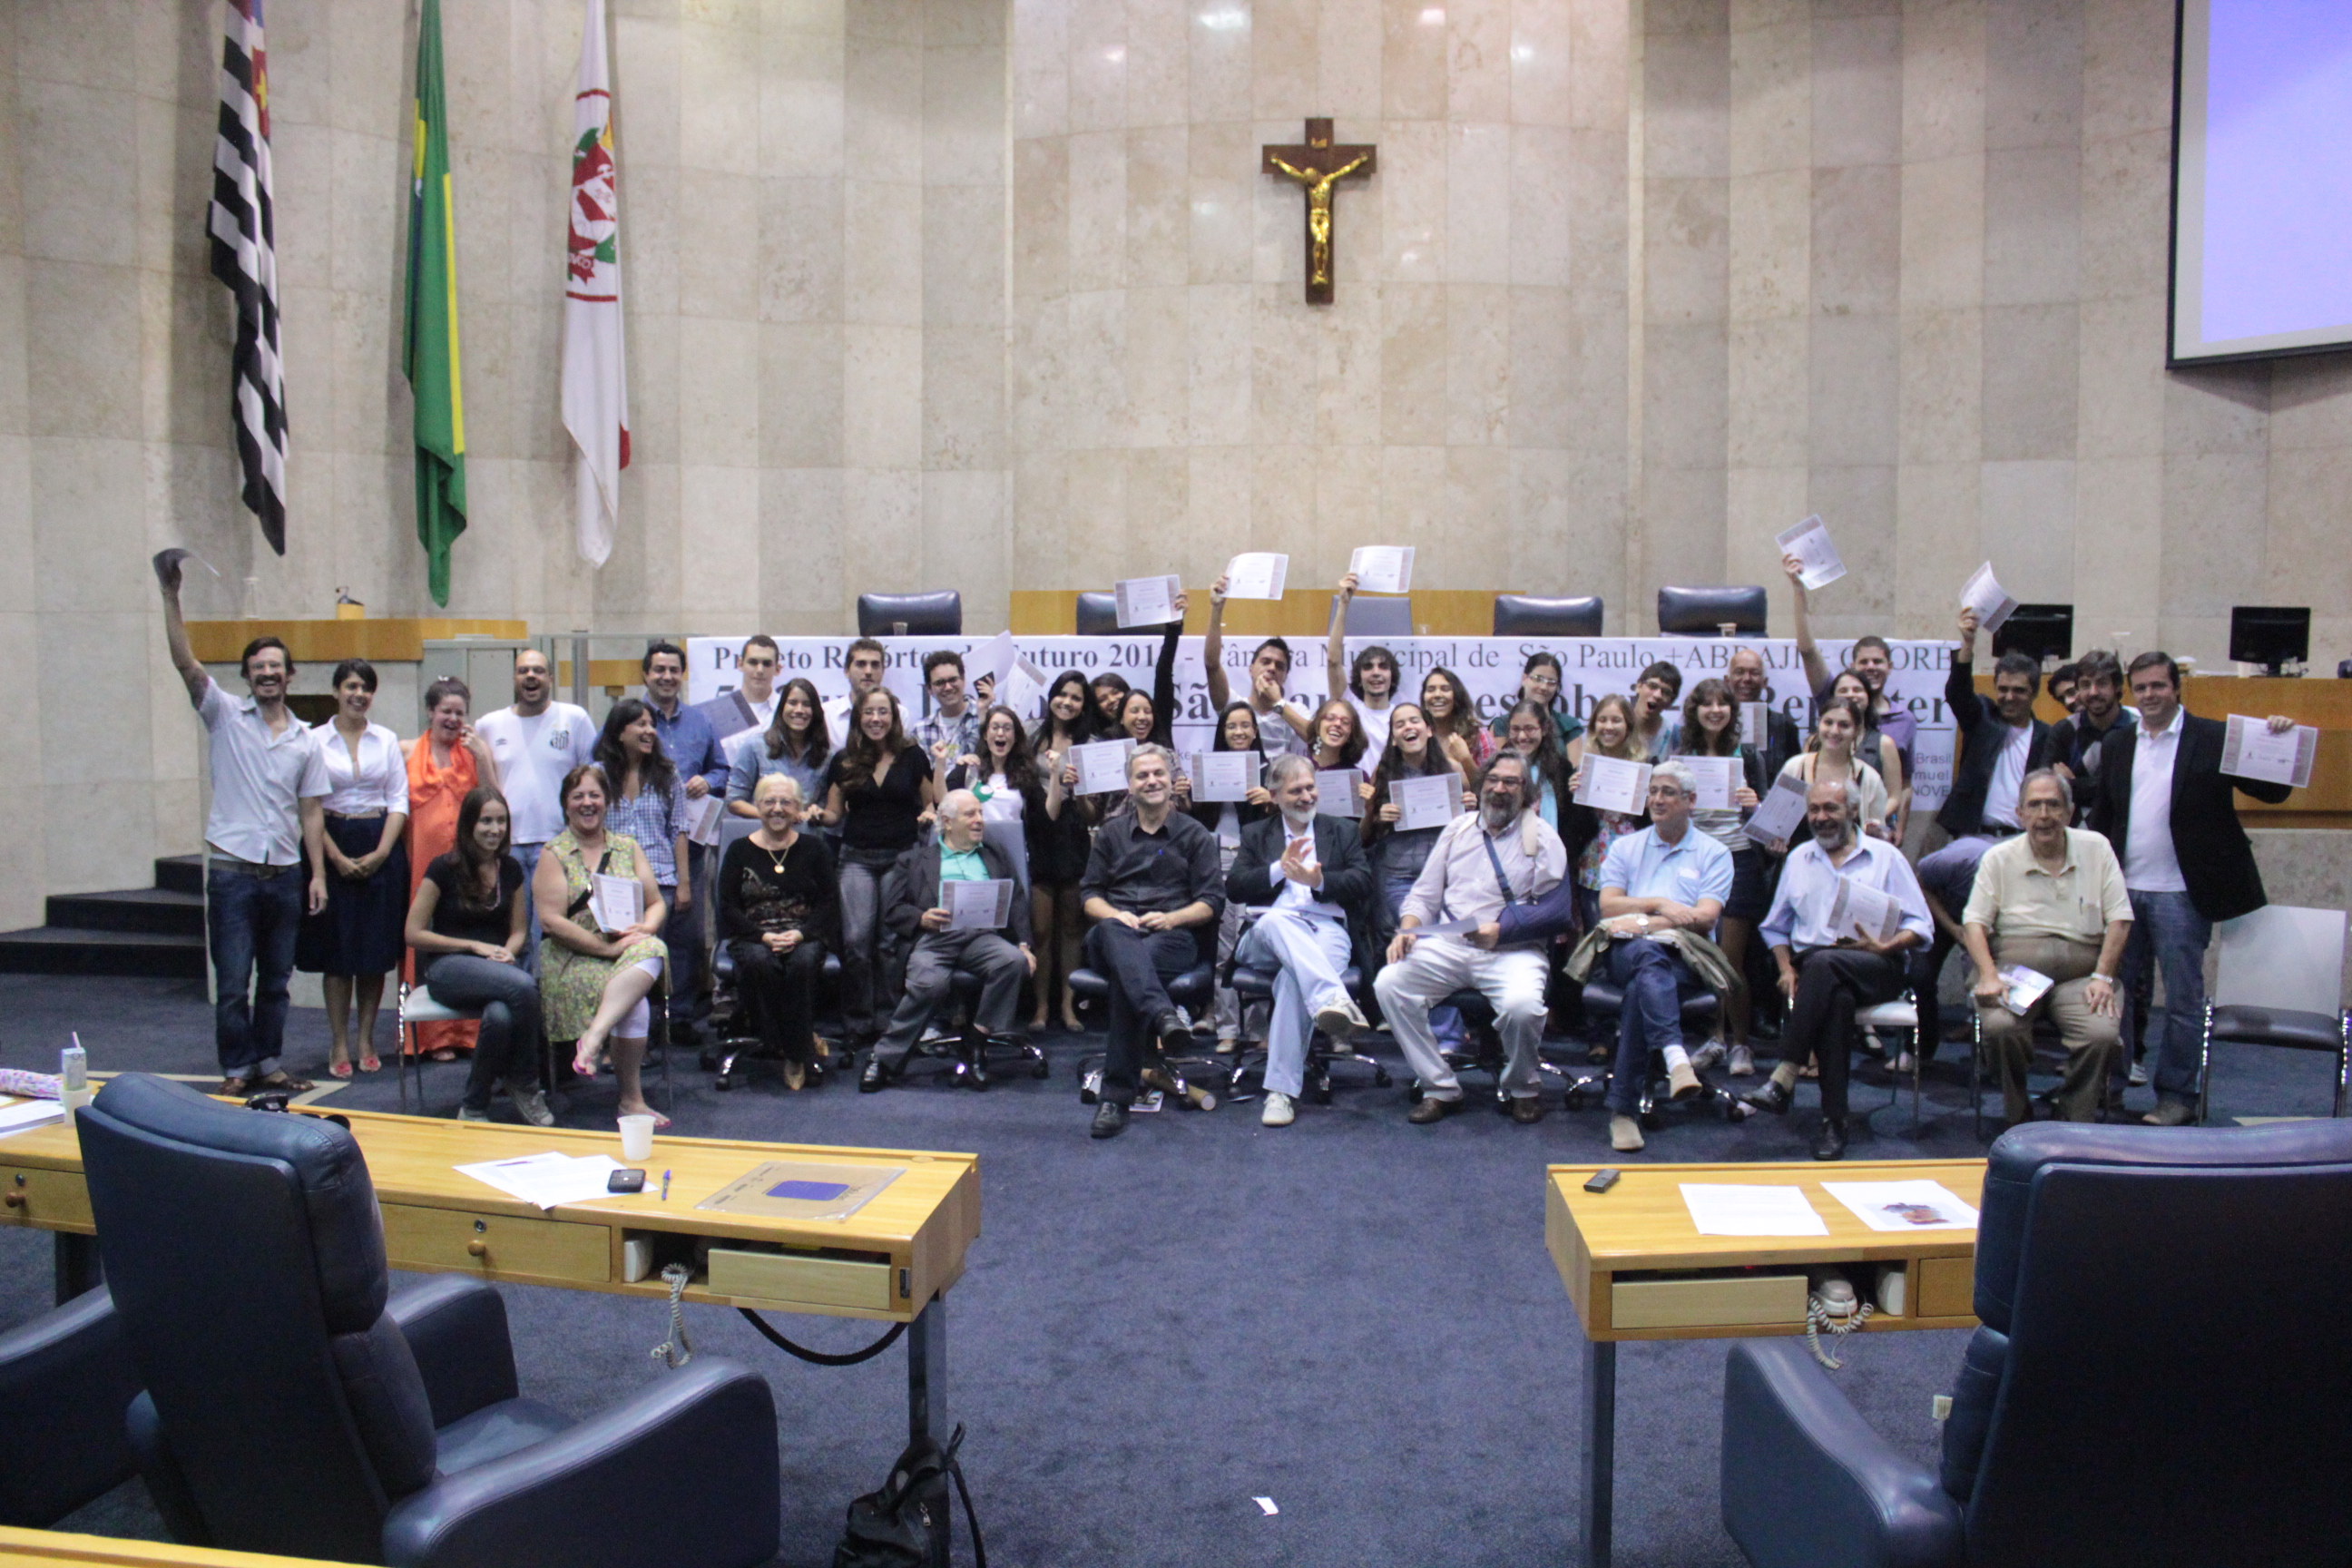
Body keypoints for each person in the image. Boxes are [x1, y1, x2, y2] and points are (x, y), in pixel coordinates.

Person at [2087, 652, 2296, 1125]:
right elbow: (2103, 818)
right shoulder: (2118, 744)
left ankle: (2176, 1097)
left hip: (2182, 893)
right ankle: (2110, 1089)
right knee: (2112, 997)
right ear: (2131, 693)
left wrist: (2278, 738)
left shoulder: (2214, 737)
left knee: (2182, 1002)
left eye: (2158, 686)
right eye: (2141, 688)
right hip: (2124, 894)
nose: (2150, 696)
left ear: (2177, 688)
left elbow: (2273, 793)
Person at [159, 559, 329, 1097]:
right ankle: (237, 1068)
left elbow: (311, 812)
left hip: (283, 875)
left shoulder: (306, 739)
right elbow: (186, 664)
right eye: (258, 667)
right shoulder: (224, 716)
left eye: (276, 666)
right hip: (233, 874)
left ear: (290, 674)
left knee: (276, 984)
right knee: (233, 984)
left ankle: (270, 1062)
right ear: (248, 676)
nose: (268, 673)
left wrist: (317, 876)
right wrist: (171, 596)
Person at [1740, 779, 1932, 1158]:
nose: (1822, 818)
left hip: (1877, 964)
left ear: (1853, 811)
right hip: (1815, 971)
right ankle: (1833, 1121)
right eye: (1815, 810)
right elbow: (1774, 926)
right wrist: (1784, 968)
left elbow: (1922, 924)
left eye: (1831, 809)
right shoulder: (1798, 859)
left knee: (1824, 964)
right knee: (1835, 998)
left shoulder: (1885, 857)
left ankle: (1785, 1075)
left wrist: (1887, 944)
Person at [1375, 752, 1568, 1126]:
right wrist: (1409, 928)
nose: (1499, 788)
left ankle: (1523, 1088)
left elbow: (1558, 912)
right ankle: (1439, 1086)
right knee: (1389, 984)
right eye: (1493, 779)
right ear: (1480, 785)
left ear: (1524, 792)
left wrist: (1503, 930)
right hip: (1450, 943)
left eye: (1511, 782)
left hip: (1513, 951)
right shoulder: (1458, 829)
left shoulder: (1542, 836)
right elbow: (1425, 894)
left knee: (1523, 1006)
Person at [1913, 607, 2056, 1050]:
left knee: (2003, 938)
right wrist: (1968, 646)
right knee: (1948, 935)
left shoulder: (2051, 737)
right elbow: (1957, 692)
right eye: (2004, 689)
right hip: (1972, 841)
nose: (2010, 697)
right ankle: (1946, 1033)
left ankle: (1999, 1034)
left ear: (2034, 693)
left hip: (2021, 848)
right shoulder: (1983, 722)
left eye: (2019, 691)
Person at [1961, 769, 2131, 1127]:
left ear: (2069, 813)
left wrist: (2103, 975)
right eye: (2034, 805)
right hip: (2012, 970)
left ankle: (2073, 1114)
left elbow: (2120, 919)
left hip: (2083, 975)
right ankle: (2017, 1112)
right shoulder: (1999, 857)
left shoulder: (2096, 848)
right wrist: (1989, 976)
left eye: (2053, 805)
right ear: (2019, 813)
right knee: (2000, 1028)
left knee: (2102, 1034)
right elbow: (1974, 923)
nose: (2044, 815)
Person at [1079, 745, 1224, 1139]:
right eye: (1142, 775)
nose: (1151, 781)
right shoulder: (1110, 834)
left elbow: (1212, 901)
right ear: (1130, 785)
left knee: (1133, 971)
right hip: (1112, 934)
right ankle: (1163, 1014)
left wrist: (1173, 917)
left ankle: (1115, 1098)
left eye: (1158, 773)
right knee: (1116, 936)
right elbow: (1089, 894)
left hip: (1171, 936)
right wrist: (1114, 915)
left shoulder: (1194, 835)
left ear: (1171, 780)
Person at [1594, 761, 1735, 1153]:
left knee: (1647, 978)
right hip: (1623, 950)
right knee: (1644, 958)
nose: (1657, 799)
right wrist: (1660, 905)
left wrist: (1645, 923)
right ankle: (1676, 1058)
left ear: (1690, 801)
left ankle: (1623, 1111)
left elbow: (1705, 917)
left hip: (1684, 955)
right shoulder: (1626, 846)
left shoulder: (1714, 853)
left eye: (1668, 792)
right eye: (1653, 791)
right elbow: (1607, 908)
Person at [1228, 756, 1375, 1127]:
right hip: (1266, 934)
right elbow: (1234, 888)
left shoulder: (1341, 830)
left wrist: (1319, 883)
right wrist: (1280, 869)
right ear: (1275, 796)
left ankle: (1279, 1094)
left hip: (1327, 930)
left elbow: (1362, 882)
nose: (1306, 796)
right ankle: (1332, 997)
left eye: (1310, 787)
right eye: (1296, 790)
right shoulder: (1256, 834)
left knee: (1294, 979)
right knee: (1280, 920)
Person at [863, 789, 1034, 1090]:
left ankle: (976, 1042)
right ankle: (884, 1058)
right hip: (935, 937)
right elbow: (893, 910)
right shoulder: (914, 860)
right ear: (946, 821)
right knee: (931, 984)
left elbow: (1016, 900)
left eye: (980, 813)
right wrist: (921, 918)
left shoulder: (994, 854)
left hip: (982, 936)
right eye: (970, 814)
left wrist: (1024, 944)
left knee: (1012, 962)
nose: (979, 820)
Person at [404, 786, 552, 1126]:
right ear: (469, 824)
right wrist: (471, 946)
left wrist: (506, 952)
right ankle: (526, 1083)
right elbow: (413, 933)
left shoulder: (511, 869)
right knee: (526, 988)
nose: (494, 829)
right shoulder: (443, 868)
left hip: (495, 970)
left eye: (501, 821)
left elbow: (518, 931)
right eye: (486, 821)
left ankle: (472, 1107)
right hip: (447, 968)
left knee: (500, 1015)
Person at [534, 763, 669, 1123]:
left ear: (607, 802)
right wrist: (606, 949)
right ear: (566, 805)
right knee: (636, 1006)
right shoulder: (554, 853)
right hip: (573, 956)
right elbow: (551, 921)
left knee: (653, 947)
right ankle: (631, 1099)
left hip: (624, 949)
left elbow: (656, 903)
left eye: (595, 795)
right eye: (578, 796)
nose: (587, 803)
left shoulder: (627, 848)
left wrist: (646, 926)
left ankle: (594, 1039)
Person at [297, 658, 410, 1079]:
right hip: (331, 841)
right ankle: (339, 1040)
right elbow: (309, 803)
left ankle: (365, 1037)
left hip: (380, 843)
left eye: (365, 688)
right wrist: (334, 859)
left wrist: (382, 852)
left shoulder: (386, 739)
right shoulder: (314, 741)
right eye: (351, 686)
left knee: (375, 952)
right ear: (336, 691)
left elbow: (399, 799)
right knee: (338, 952)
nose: (358, 694)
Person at [822, 687, 941, 1046]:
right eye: (869, 712)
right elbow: (833, 813)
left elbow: (930, 802)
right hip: (856, 858)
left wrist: (930, 813)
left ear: (894, 717)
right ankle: (858, 1022)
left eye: (883, 712)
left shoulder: (913, 755)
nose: (876, 719)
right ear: (860, 717)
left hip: (901, 859)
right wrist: (814, 815)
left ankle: (891, 1020)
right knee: (856, 942)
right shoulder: (844, 759)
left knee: (889, 942)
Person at [717, 775, 838, 1091]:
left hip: (804, 935)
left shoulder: (815, 848)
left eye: (786, 802)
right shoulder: (738, 850)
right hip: (754, 935)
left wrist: (800, 935)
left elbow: (829, 903)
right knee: (760, 963)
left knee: (801, 963)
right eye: (769, 801)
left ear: (798, 809)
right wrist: (762, 936)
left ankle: (792, 1053)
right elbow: (728, 907)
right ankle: (799, 1042)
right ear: (757, 806)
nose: (777, 809)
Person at [1671, 679, 1768, 1074]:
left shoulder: (1748, 754)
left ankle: (1740, 1043)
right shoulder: (1680, 757)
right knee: (1701, 959)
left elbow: (1767, 821)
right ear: (1694, 711)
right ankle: (1713, 1038)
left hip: (1737, 860)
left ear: (1732, 711)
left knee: (1730, 960)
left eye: (1722, 704)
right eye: (1706, 704)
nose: (1715, 710)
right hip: (1693, 862)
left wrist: (1753, 803)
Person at [403, 677, 500, 1062]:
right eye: (446, 711)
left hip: (466, 865)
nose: (453, 719)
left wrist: (483, 759)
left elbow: (494, 802)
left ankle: (468, 1032)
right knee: (425, 938)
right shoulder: (406, 750)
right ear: (430, 711)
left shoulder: (474, 753)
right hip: (420, 864)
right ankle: (431, 1037)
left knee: (467, 935)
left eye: (460, 713)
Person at [475, 649, 597, 950]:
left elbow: (592, 779)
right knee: (514, 934)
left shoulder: (574, 718)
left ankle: (550, 995)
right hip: (506, 845)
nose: (531, 676)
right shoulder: (488, 725)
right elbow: (482, 789)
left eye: (538, 671)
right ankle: (520, 993)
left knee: (556, 930)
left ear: (551, 679)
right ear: (514, 678)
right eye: (523, 671)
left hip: (560, 844)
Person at [641, 642, 727, 1045]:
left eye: (674, 670)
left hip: (689, 847)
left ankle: (683, 1016)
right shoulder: (632, 719)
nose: (666, 677)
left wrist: (707, 781)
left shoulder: (701, 721)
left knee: (688, 935)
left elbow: (723, 769)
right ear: (646, 675)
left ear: (682, 675)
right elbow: (602, 764)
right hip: (641, 846)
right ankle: (645, 1019)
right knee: (643, 934)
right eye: (659, 670)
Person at [1183, 703, 1276, 1051]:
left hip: (1258, 864)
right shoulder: (1209, 768)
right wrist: (1188, 795)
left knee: (1256, 948)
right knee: (1224, 950)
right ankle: (1227, 1029)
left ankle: (1258, 1030)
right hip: (1217, 859)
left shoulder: (1271, 773)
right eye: (1231, 727)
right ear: (1222, 733)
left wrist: (1273, 800)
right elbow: (1200, 821)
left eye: (1245, 726)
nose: (1238, 733)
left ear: (1255, 731)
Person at [1787, 555, 1918, 783]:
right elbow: (1807, 650)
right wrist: (1798, 589)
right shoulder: (1830, 699)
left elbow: (1902, 785)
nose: (1850, 695)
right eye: (1864, 663)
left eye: (1877, 662)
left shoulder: (1901, 721)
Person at [1028, 671, 1096, 1031]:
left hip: (1071, 836)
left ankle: (1068, 1007)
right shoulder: (1028, 734)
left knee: (1071, 928)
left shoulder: (1090, 744)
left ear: (1084, 706)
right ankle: (1040, 1007)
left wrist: (1082, 788)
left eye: (1076, 698)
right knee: (1040, 929)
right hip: (1035, 833)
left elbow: (1092, 814)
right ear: (1052, 696)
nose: (1067, 702)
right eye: (1062, 694)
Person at [1565, 694, 1651, 939]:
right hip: (1594, 863)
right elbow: (1576, 827)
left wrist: (1648, 803)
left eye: (1616, 720)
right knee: (1597, 936)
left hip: (1635, 860)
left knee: (1631, 934)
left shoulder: (1646, 767)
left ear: (1629, 726)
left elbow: (1652, 823)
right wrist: (1575, 796)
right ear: (1593, 727)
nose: (1609, 727)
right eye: (1602, 720)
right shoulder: (1584, 769)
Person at [1769, 699, 1891, 851]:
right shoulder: (1795, 767)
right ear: (1819, 724)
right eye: (1828, 723)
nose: (1834, 731)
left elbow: (1879, 837)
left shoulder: (1869, 778)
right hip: (1800, 866)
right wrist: (1774, 844)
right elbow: (1773, 826)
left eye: (1844, 725)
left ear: (1857, 730)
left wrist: (1877, 832)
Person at [1202, 584, 1310, 754]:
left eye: (1279, 666)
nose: (1272, 668)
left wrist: (1278, 704)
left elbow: (1315, 738)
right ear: (1251, 669)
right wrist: (1217, 608)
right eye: (1265, 662)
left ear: (1285, 676)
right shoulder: (1235, 706)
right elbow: (1211, 665)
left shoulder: (1295, 710)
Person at [725, 676, 831, 819]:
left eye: (807, 704)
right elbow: (734, 801)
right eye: (793, 703)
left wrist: (816, 812)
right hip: (763, 836)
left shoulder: (826, 756)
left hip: (806, 837)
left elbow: (826, 807)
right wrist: (776, 815)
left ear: (816, 711)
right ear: (782, 708)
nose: (799, 710)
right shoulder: (755, 746)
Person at [1825, 668, 1909, 837]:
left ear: (1868, 696)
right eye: (1843, 690)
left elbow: (1894, 796)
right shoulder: (1815, 743)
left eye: (1857, 690)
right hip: (1825, 827)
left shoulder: (1884, 743)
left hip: (1869, 832)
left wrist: (1872, 819)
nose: (1850, 695)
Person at [1325, 572, 1402, 754]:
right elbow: (1333, 661)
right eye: (1368, 667)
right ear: (1359, 679)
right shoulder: (1350, 708)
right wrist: (1343, 604)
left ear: (1392, 677)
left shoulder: (1401, 717)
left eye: (1383, 667)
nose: (1376, 672)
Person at [2047, 649, 2133, 802]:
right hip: (2073, 824)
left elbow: (2126, 789)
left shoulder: (2137, 727)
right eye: (2085, 684)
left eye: (2102, 683)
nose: (2093, 692)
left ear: (2118, 686)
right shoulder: (2064, 730)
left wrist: (2072, 785)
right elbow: (2048, 787)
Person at [1725, 644, 1803, 782]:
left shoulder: (1784, 726)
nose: (1747, 679)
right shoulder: (1716, 723)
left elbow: (1794, 780)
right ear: (1727, 681)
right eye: (1739, 672)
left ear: (1765, 682)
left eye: (1754, 673)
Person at [1491, 652, 1586, 750]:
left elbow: (1575, 766)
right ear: (1524, 679)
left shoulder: (1569, 725)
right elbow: (1499, 763)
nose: (1544, 687)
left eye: (1551, 682)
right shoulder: (1502, 724)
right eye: (1538, 679)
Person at [701, 633, 782, 743]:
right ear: (740, 664)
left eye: (767, 664)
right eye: (753, 662)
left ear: (777, 669)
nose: (760, 670)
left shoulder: (786, 710)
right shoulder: (719, 712)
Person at [913, 650, 985, 764]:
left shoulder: (984, 716)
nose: (948, 687)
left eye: (953, 680)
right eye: (940, 682)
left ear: (964, 680)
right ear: (929, 689)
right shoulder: (921, 730)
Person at [1420, 666, 1495, 766]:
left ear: (1457, 697)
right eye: (1431, 690)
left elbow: (1488, 780)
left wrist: (1465, 759)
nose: (1437, 695)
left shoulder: (1479, 736)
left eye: (1445, 689)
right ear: (1424, 700)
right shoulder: (1418, 735)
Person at [820, 638, 891, 739]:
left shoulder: (899, 714)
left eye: (875, 665)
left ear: (883, 672)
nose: (868, 671)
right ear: (846, 671)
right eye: (861, 664)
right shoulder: (827, 715)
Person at [1627, 662, 1683, 761]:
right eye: (1652, 686)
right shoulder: (1617, 728)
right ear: (1639, 686)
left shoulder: (1676, 737)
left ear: (1671, 702)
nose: (1657, 695)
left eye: (1666, 692)